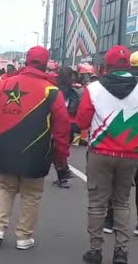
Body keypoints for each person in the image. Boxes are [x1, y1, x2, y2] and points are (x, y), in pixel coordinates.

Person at [0, 46, 70, 250]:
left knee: (6, 188)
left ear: (27, 61)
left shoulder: (3, 85)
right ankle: (23, 236)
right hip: (36, 150)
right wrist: (62, 155)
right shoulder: (52, 91)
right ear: (46, 63)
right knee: (31, 194)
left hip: (4, 146)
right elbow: (62, 127)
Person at [77, 45, 138, 264]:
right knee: (122, 203)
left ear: (106, 66)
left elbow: (82, 122)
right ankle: (121, 252)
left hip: (100, 153)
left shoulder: (93, 89)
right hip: (131, 154)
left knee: (97, 204)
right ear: (128, 65)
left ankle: (95, 251)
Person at [51, 66, 83, 188]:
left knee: (56, 152)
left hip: (59, 123)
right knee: (61, 151)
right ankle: (64, 172)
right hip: (71, 124)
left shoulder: (55, 91)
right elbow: (74, 109)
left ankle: (63, 175)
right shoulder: (74, 91)